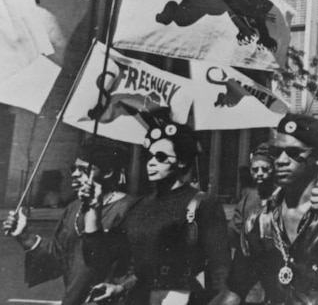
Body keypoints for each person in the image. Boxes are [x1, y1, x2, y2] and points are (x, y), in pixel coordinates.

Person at [82, 122, 234, 305]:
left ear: (182, 161)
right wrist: (93, 208)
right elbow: (97, 257)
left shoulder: (203, 203)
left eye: (160, 157)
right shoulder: (139, 206)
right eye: (150, 156)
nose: (151, 162)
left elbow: (220, 269)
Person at [232, 113, 318, 304]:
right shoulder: (258, 218)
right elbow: (237, 287)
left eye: (293, 153)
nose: (281, 160)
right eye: (276, 152)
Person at [2, 137, 135, 305]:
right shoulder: (74, 208)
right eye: (74, 168)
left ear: (107, 172)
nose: (74, 174)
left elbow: (141, 269)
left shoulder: (130, 209)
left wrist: (121, 287)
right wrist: (24, 236)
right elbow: (57, 259)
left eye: (83, 169)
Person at [228, 144, 276, 304]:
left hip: (269, 269)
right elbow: (235, 228)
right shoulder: (248, 195)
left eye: (265, 169)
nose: (259, 174)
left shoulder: (281, 195)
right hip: (245, 265)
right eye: (255, 170)